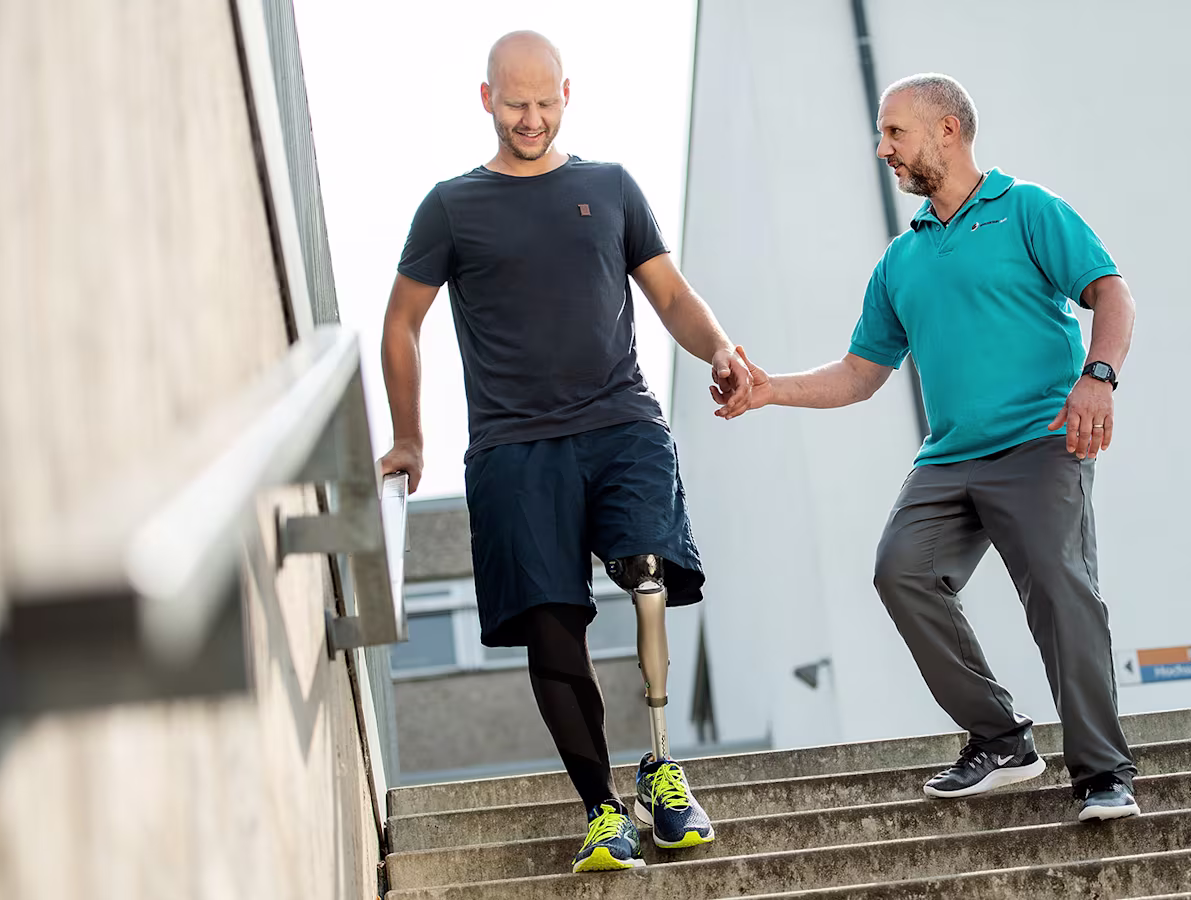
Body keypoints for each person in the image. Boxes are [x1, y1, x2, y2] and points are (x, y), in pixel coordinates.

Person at [717, 73, 1141, 822]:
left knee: (1058, 583)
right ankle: (1000, 738)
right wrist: (769, 388)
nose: (882, 148)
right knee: (900, 571)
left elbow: (1111, 291)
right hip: (948, 459)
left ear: (947, 130)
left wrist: (1098, 376)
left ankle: (1104, 774)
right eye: (882, 134)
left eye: (895, 132)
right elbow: (858, 374)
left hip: (1041, 442)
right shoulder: (900, 262)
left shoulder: (1027, 210)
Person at [379, 31, 751, 872]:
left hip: (621, 422)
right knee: (553, 630)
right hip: (513, 446)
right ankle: (601, 808)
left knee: (648, 571)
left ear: (567, 94)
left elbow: (670, 293)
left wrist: (721, 349)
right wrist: (408, 435)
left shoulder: (609, 186)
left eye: (546, 102)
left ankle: (661, 768)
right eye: (516, 104)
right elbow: (401, 322)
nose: (532, 119)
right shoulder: (451, 205)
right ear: (486, 100)